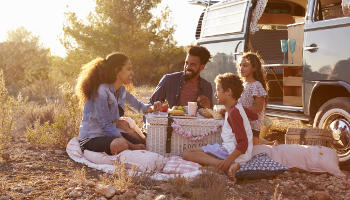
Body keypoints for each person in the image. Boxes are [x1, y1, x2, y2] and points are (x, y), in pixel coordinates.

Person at [76, 52, 161, 155]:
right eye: (128, 69)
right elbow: (105, 125)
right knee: (121, 145)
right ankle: (129, 147)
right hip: (91, 138)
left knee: (144, 142)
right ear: (117, 70)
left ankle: (130, 146)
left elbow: (139, 107)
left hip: (108, 135)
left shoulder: (121, 90)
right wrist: (132, 146)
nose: (132, 73)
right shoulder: (101, 91)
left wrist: (153, 107)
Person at [182, 73, 258, 180]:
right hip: (234, 151)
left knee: (187, 153)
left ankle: (223, 166)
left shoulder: (234, 113)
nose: (215, 94)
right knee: (193, 152)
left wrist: (228, 161)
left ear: (228, 92)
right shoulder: (236, 108)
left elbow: (243, 144)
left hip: (231, 152)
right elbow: (254, 116)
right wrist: (227, 112)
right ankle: (221, 165)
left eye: (218, 90)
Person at [237, 52, 268, 145]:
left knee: (252, 150)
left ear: (254, 68)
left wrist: (240, 110)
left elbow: (259, 107)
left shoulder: (256, 85)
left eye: (245, 65)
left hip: (252, 125)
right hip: (243, 122)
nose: (241, 68)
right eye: (240, 65)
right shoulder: (242, 85)